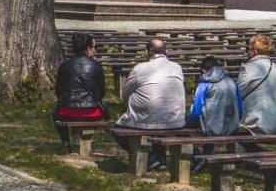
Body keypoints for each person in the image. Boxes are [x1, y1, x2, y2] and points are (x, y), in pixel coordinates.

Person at [112, 38, 185, 170]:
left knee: (116, 130)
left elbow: (124, 95)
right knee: (158, 119)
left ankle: (150, 158)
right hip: (174, 120)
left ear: (147, 52)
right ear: (166, 52)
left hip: (146, 120)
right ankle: (160, 159)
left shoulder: (139, 69)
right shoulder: (177, 68)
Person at [185, 56, 243, 170]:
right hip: (229, 123)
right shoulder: (231, 82)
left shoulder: (204, 84)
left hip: (209, 122)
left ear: (203, 70)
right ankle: (206, 154)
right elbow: (240, 108)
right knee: (210, 128)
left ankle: (196, 154)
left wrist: (194, 117)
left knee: (180, 124)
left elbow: (196, 111)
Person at [53, 33, 108, 153]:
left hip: (67, 112)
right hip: (92, 112)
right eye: (95, 47)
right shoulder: (96, 66)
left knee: (55, 112)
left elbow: (58, 91)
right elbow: (101, 92)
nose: (95, 50)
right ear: (88, 49)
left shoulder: (65, 65)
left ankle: (66, 142)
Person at [237, 34, 276, 135]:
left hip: (255, 120)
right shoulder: (275, 67)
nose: (247, 52)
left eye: (248, 49)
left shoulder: (248, 68)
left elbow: (237, 94)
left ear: (254, 51)